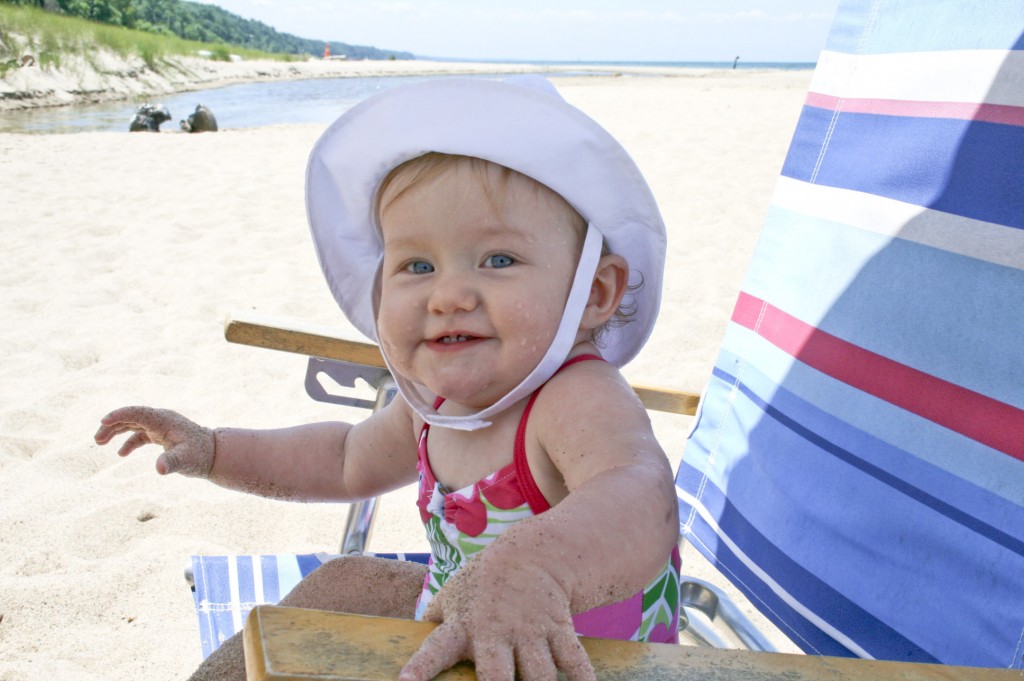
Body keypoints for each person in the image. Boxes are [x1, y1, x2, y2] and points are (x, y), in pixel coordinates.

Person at [94, 76, 680, 681]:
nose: (448, 294)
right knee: (342, 581)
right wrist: (218, 449)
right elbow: (344, 460)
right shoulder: (438, 404)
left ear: (596, 291)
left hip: (572, 654)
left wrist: (538, 570)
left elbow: (642, 495)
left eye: (498, 259)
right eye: (417, 265)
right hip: (461, 614)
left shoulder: (574, 398)